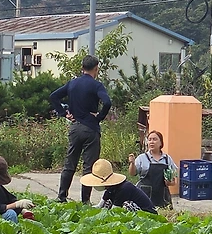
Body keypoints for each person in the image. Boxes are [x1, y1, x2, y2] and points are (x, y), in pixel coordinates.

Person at [49, 55, 112, 204]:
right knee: (88, 166)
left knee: (70, 163)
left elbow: (54, 97)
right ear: (96, 68)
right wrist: (99, 117)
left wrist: (64, 113)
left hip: (75, 127)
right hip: (91, 128)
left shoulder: (72, 83)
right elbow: (107, 102)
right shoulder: (97, 85)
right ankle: (85, 201)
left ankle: (61, 197)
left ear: (82, 68)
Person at [80, 159, 157, 214]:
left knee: (127, 205)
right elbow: (100, 206)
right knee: (108, 203)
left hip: (147, 213)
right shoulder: (110, 189)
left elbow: (114, 211)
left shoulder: (124, 188)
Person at [128, 130, 176, 208]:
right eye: (149, 139)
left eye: (154, 139)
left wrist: (169, 183)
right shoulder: (142, 158)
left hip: (162, 198)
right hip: (144, 196)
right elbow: (132, 173)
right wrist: (132, 163)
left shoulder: (167, 159)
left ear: (161, 143)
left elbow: (174, 181)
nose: (151, 142)